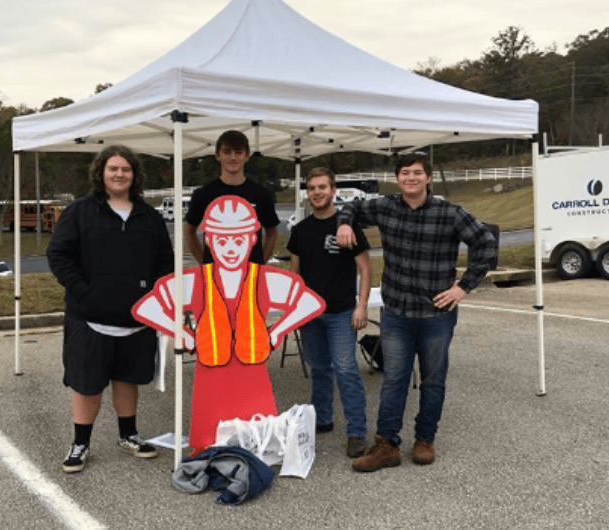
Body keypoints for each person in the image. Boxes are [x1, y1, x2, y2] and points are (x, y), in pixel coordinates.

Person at [336, 152, 497, 471]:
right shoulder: (385, 207)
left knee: (433, 380)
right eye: (405, 173)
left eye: (417, 172)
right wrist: (344, 224)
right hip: (397, 313)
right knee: (394, 379)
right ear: (397, 178)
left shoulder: (449, 213)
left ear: (428, 177)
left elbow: (486, 242)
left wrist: (463, 287)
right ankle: (387, 445)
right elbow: (351, 207)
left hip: (437, 316)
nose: (411, 177)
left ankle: (425, 438)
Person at [133, 195, 325, 455]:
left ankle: (257, 452)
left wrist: (276, 331)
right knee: (207, 441)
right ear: (209, 241)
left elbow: (310, 302)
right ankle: (208, 450)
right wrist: (184, 335)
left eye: (239, 240)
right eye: (222, 241)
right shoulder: (196, 280)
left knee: (259, 442)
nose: (231, 249)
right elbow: (147, 307)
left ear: (252, 240)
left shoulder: (263, 278)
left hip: (253, 375)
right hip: (210, 376)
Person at [47, 145, 174, 473]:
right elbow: (58, 255)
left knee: (127, 378)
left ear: (135, 175)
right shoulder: (81, 211)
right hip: (89, 318)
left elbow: (165, 262)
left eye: (126, 169)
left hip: (136, 319)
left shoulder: (149, 217)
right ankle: (80, 443)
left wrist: (153, 297)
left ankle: (128, 436)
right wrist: (83, 291)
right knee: (86, 383)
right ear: (101, 173)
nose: (120, 174)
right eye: (113, 168)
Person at [286, 167, 372, 458]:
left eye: (322, 187)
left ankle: (357, 431)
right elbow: (295, 275)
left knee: (346, 370)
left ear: (333, 190)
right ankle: (322, 419)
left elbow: (365, 269)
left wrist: (361, 306)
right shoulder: (300, 231)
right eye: (312, 188)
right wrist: (294, 311)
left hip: (341, 313)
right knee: (319, 369)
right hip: (311, 315)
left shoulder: (347, 226)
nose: (317, 192)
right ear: (307, 193)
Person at [184, 130, 280, 265]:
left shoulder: (261, 194)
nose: (233, 157)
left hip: (251, 274)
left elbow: (272, 231)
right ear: (218, 155)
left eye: (238, 152)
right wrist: (205, 263)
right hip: (215, 274)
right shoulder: (203, 194)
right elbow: (189, 230)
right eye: (227, 152)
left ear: (247, 155)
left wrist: (260, 263)